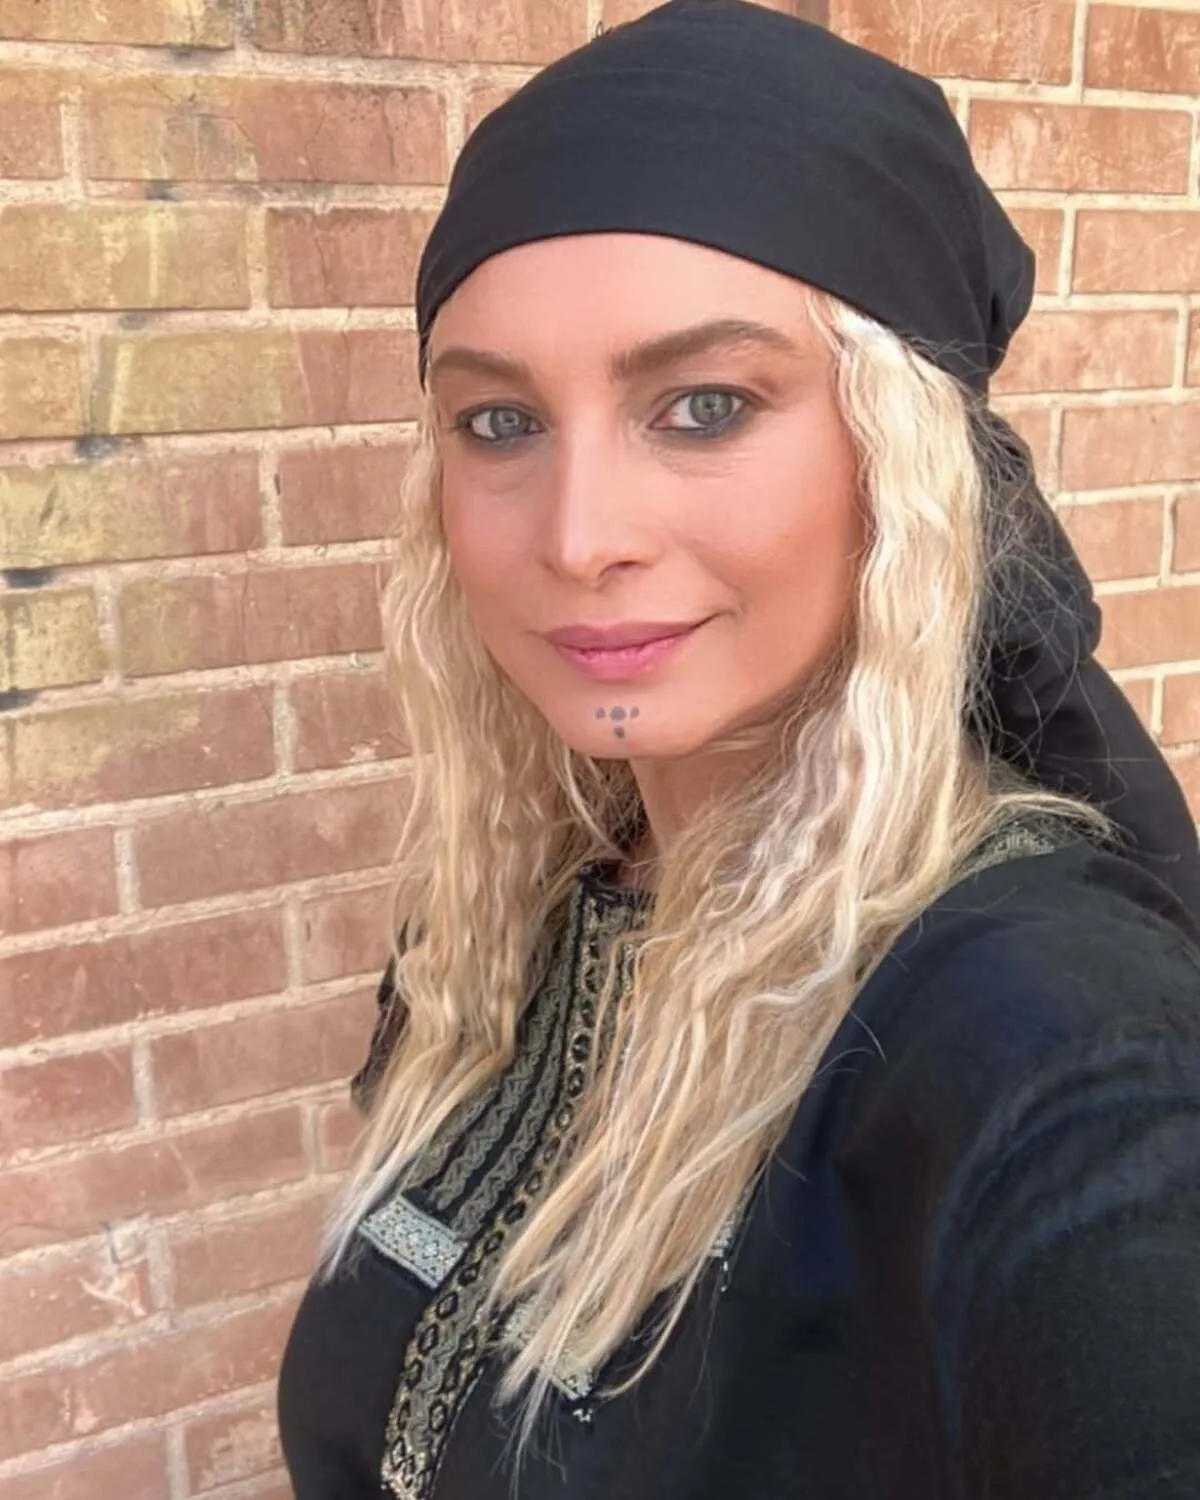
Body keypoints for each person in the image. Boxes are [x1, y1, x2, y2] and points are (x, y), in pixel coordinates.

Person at [277, 4, 1200, 1497]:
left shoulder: (1055, 1042)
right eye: (499, 422)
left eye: (704, 407)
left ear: (899, 456)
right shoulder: (523, 919)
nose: (579, 537)